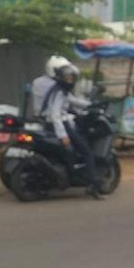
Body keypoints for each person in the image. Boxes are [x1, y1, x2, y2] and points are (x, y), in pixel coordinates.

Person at [44, 62, 105, 200]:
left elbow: (74, 101)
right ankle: (91, 185)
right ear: (61, 78)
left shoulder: (59, 90)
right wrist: (63, 135)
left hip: (54, 123)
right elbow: (55, 115)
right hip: (61, 125)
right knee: (87, 152)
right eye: (68, 78)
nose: (70, 80)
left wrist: (92, 104)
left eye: (71, 78)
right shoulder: (59, 92)